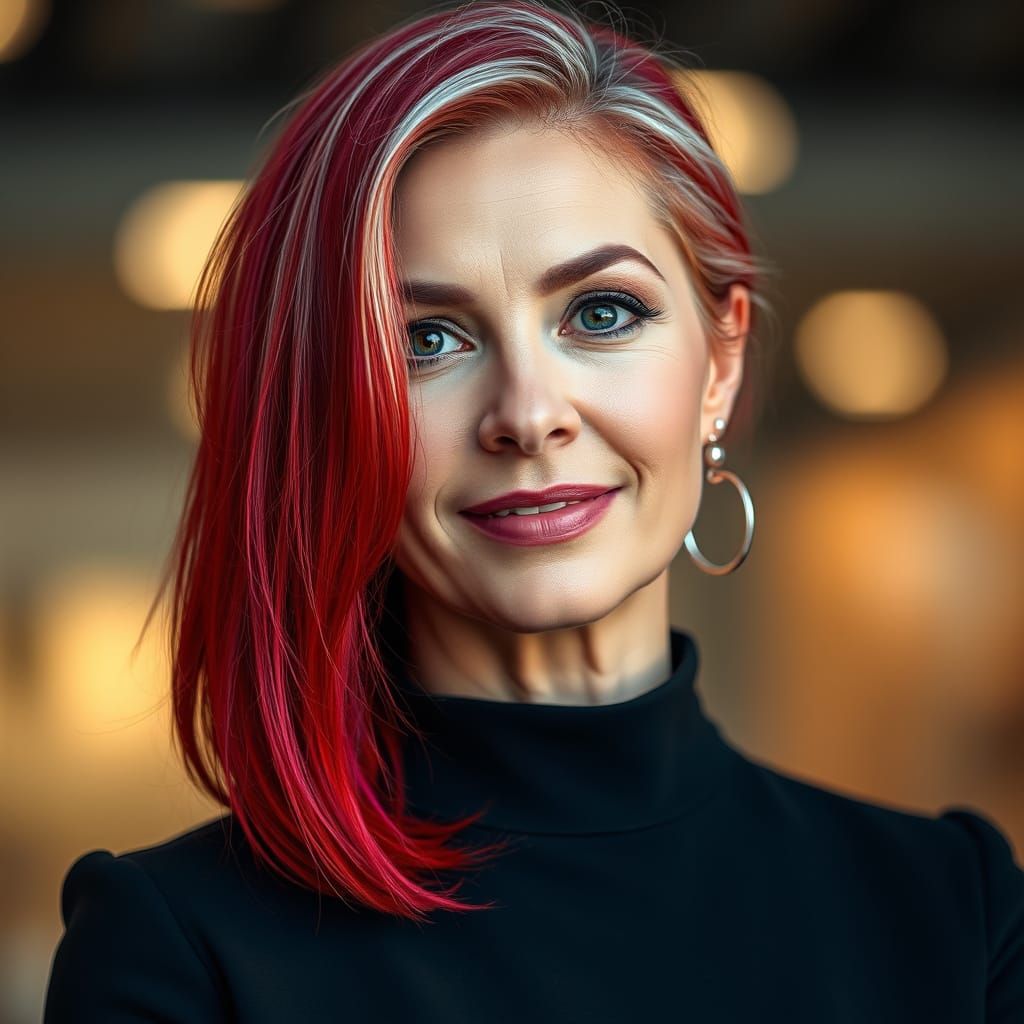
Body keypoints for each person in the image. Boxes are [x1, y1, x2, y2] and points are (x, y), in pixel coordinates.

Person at [44, 1, 1024, 1020]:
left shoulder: (957, 912)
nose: (527, 414)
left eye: (600, 313)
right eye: (425, 340)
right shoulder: (178, 950)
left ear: (719, 363)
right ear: (329, 413)